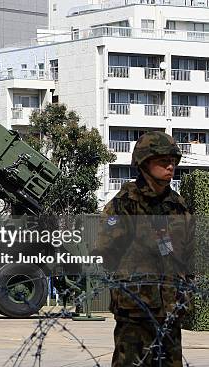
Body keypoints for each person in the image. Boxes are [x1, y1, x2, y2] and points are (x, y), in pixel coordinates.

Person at [94, 131, 193, 367]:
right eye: (163, 161)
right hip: (136, 313)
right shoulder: (124, 204)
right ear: (144, 163)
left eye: (173, 162)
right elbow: (105, 252)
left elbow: (188, 255)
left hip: (171, 311)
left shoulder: (177, 206)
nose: (170, 167)